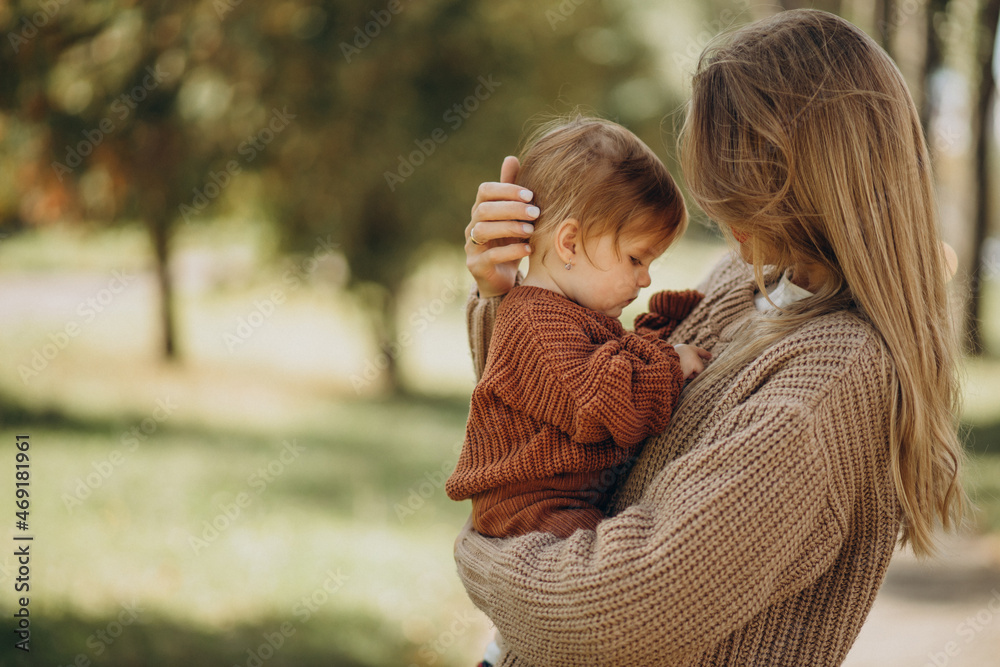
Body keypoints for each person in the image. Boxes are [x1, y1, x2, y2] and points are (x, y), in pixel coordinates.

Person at [453, 9, 967, 666]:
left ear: (805, 180)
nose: (720, 214)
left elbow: (603, 613)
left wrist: (481, 553)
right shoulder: (750, 279)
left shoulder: (824, 388)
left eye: (737, 189)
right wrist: (515, 293)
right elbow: (568, 407)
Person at [446, 116, 710, 541]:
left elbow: (611, 360)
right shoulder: (537, 322)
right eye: (636, 260)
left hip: (561, 499)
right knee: (621, 562)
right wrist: (670, 364)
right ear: (569, 243)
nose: (645, 280)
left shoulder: (564, 312)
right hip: (531, 512)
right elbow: (603, 402)